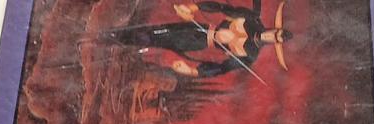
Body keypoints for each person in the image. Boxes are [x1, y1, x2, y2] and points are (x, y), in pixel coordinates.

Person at [108, 2, 292, 78]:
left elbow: (221, 68)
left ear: (276, 44)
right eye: (275, 32)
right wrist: (193, 7)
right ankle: (111, 36)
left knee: (154, 42)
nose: (271, 36)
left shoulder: (250, 56)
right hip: (198, 27)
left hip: (197, 44)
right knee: (153, 31)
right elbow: (221, 8)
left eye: (276, 38)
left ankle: (112, 43)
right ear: (274, 27)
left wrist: (191, 71)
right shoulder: (251, 19)